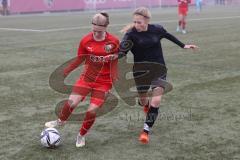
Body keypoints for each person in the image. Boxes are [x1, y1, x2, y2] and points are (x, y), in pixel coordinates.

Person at [116, 7, 198, 144]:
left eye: (139, 22)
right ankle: (145, 105)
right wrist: (113, 56)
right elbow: (122, 53)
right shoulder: (130, 35)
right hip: (140, 71)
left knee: (156, 101)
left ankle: (145, 131)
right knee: (143, 100)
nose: (137, 25)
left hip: (159, 69)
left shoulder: (157, 29)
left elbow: (168, 36)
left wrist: (183, 46)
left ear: (147, 20)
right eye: (134, 22)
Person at [45, 12, 119, 148]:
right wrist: (66, 71)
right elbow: (80, 58)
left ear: (106, 26)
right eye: (93, 28)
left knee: (91, 111)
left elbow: (115, 60)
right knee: (72, 102)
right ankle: (61, 121)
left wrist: (113, 80)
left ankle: (81, 135)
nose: (95, 32)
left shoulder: (113, 41)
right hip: (87, 78)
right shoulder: (85, 40)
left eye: (99, 29)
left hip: (103, 82)